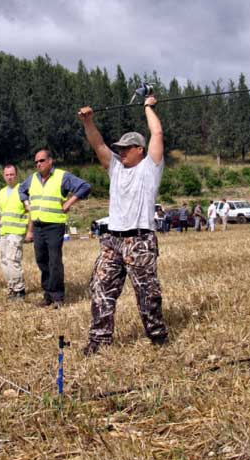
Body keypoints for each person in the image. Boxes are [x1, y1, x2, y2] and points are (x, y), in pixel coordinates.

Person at [78, 94, 169, 355]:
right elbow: (98, 145)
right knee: (101, 289)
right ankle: (99, 341)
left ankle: (157, 337)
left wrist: (148, 108)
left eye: (126, 148)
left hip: (139, 240)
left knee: (147, 293)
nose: (121, 152)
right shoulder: (115, 168)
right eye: (120, 148)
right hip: (112, 241)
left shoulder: (150, 168)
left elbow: (158, 133)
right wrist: (88, 122)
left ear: (140, 149)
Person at [19, 149, 90, 308]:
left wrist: (69, 203)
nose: (38, 164)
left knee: (54, 261)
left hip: (54, 226)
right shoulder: (32, 179)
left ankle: (57, 296)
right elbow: (21, 190)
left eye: (42, 160)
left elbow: (84, 186)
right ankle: (48, 294)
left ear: (50, 161)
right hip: (37, 226)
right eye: (36, 162)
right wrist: (26, 203)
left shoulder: (62, 176)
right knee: (42, 260)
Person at [0, 164, 29, 300]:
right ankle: (12, 287)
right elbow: (3, 212)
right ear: (3, 176)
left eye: (12, 174)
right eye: (7, 174)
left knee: (13, 259)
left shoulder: (22, 189)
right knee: (3, 260)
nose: (9, 177)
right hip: (4, 231)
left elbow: (28, 210)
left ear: (16, 175)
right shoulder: (2, 192)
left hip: (17, 231)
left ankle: (19, 290)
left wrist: (29, 231)